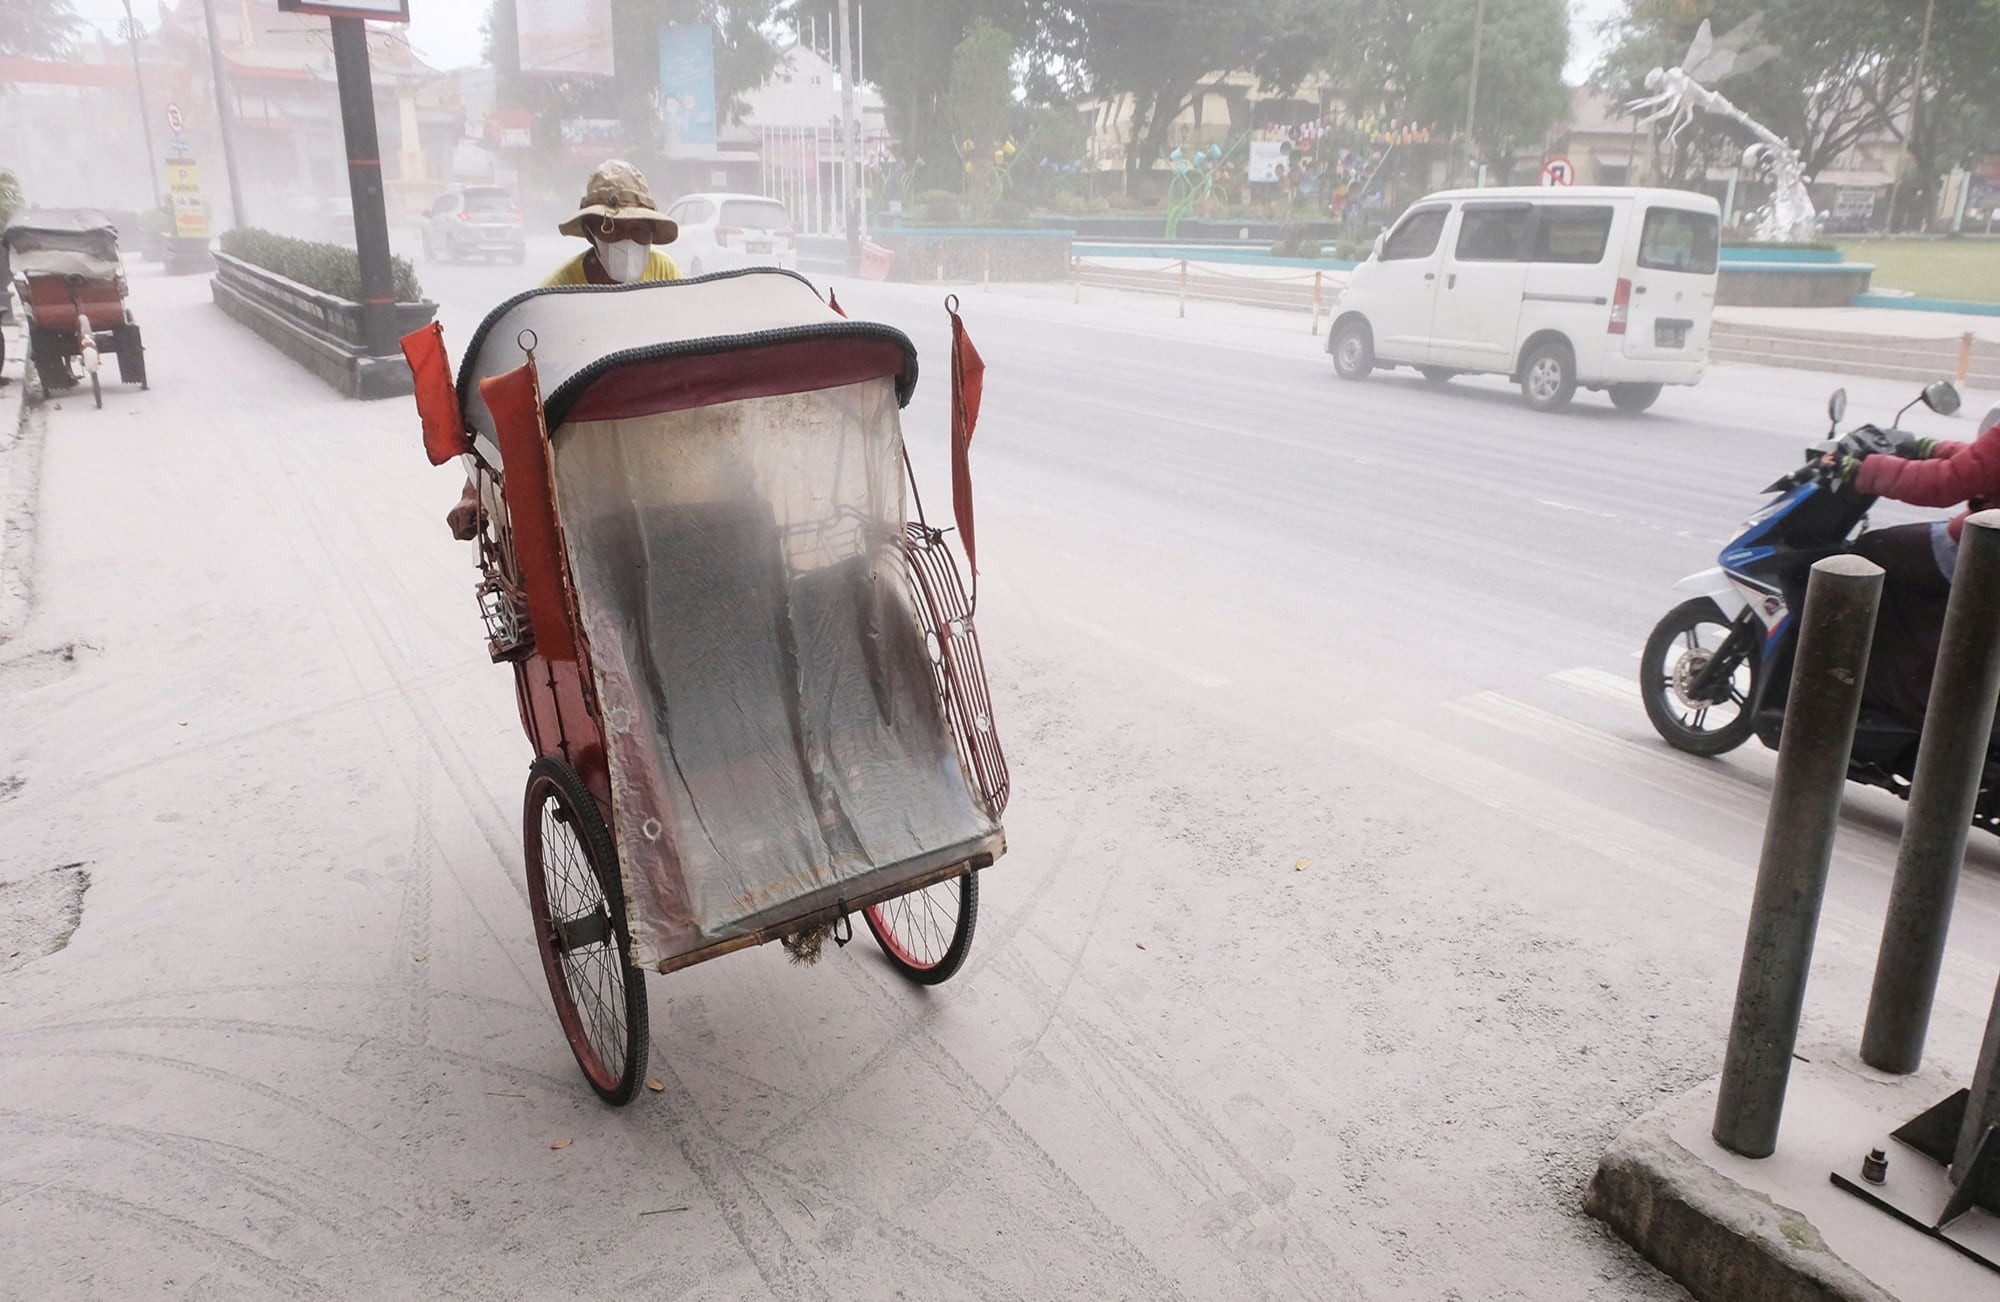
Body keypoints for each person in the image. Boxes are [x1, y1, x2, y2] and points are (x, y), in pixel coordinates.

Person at [447, 160, 682, 539]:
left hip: (655, 445)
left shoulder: (665, 273)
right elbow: (514, 398)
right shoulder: (555, 295)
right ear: (590, 232)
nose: (629, 243)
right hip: (587, 460)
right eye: (614, 231)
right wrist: (473, 492)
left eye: (639, 232)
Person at [1836, 414, 2000, 724]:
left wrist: (1864, 470)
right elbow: (1982, 462)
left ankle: (1858, 683)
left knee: (1872, 552)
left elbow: (1945, 483)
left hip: (1985, 556)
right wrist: (1931, 447)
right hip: (1987, 546)